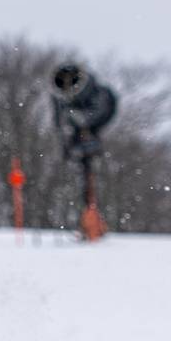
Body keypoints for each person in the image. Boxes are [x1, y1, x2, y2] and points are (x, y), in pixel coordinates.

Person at [50, 63, 117, 235]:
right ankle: (86, 218)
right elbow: (61, 124)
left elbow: (99, 113)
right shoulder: (63, 102)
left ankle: (94, 220)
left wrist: (81, 121)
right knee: (82, 182)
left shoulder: (99, 95)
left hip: (89, 143)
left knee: (91, 181)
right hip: (77, 144)